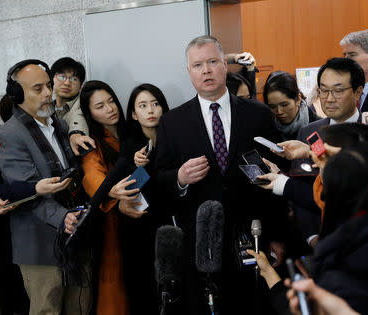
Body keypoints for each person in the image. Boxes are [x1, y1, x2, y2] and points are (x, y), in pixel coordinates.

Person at [155, 35, 287, 314]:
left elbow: (276, 177)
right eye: (198, 65)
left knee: (253, 306)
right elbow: (159, 179)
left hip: (251, 235)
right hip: (199, 242)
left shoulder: (258, 115)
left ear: (225, 66)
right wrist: (179, 178)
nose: (206, 70)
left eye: (213, 62)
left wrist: (277, 235)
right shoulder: (172, 121)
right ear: (189, 72)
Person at [0, 60, 91, 314]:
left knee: (80, 307)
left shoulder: (59, 124)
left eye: (48, 85)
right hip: (39, 245)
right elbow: (27, 189)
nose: (49, 93)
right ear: (17, 94)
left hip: (75, 233)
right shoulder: (8, 135)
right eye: (38, 88)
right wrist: (63, 217)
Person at [79, 80, 142, 315]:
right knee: (114, 280)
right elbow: (93, 178)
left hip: (142, 213)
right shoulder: (93, 143)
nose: (109, 109)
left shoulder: (132, 132)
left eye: (111, 101)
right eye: (100, 106)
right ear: (90, 114)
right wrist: (110, 192)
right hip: (113, 222)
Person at [120, 83, 170, 314]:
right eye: (142, 105)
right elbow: (130, 189)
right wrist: (139, 167)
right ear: (133, 113)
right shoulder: (129, 145)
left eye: (155, 104)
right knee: (145, 288)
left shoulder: (175, 138)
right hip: (141, 225)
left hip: (171, 221)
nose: (150, 110)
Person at [51, 57, 96, 156]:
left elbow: (78, 117)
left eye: (73, 79)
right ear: (51, 79)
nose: (67, 83)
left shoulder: (83, 102)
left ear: (80, 85)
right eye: (62, 77)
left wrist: (75, 134)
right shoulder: (47, 108)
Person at [263, 71, 319, 141]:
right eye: (273, 107)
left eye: (284, 105)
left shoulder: (319, 127)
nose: (279, 112)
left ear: (298, 99)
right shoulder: (267, 129)